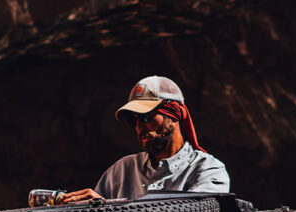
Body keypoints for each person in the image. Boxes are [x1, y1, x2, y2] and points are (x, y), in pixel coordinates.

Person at [61, 76, 230, 202]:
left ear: (175, 113)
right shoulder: (120, 171)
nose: (139, 126)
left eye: (147, 117)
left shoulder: (208, 170)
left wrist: (108, 210)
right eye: (133, 120)